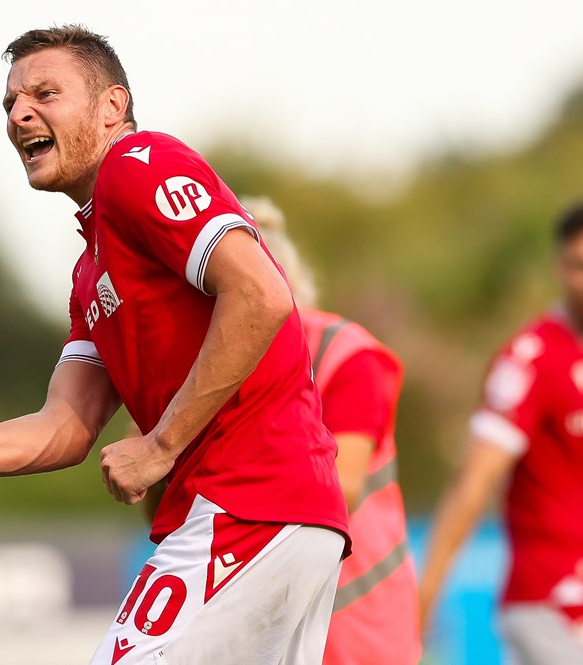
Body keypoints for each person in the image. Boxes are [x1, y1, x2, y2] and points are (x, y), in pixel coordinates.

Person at [0, 25, 350, 664]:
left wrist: (161, 445)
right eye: (10, 104)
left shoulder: (135, 166)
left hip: (246, 502)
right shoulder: (89, 270)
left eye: (45, 93)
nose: (20, 115)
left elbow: (262, 295)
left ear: (111, 108)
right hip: (286, 513)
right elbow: (66, 426)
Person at [138, 197, 422, 664]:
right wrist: (157, 444)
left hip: (354, 620)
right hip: (243, 607)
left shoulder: (345, 353)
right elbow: (162, 513)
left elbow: (341, 490)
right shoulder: (199, 376)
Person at [418, 199, 583, 664]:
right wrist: (426, 595)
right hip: (550, 595)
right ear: (560, 267)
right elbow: (476, 479)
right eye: (582, 266)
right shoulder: (530, 359)